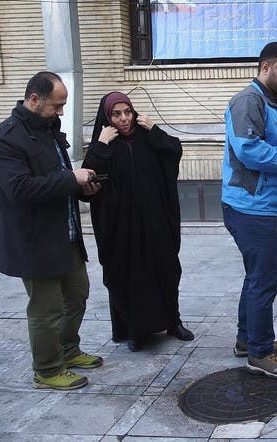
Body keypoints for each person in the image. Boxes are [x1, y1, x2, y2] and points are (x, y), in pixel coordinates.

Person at [0, 71, 103, 390]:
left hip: (66, 234)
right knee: (46, 310)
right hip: (35, 241)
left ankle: (69, 350)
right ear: (34, 99)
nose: (61, 112)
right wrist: (71, 180)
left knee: (77, 296)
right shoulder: (6, 137)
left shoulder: (49, 128)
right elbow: (20, 189)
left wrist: (82, 189)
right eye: (57, 105)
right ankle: (48, 369)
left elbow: (59, 176)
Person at [222, 42, 277, 379]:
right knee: (264, 280)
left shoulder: (271, 104)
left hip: (267, 206)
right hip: (251, 207)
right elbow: (248, 150)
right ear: (265, 66)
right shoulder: (249, 100)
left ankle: (248, 339)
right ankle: (260, 352)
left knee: (256, 277)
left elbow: (268, 149)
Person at [82, 92, 193, 352]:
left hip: (155, 223)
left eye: (127, 112)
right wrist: (100, 146)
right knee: (126, 276)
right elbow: (86, 183)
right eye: (116, 114)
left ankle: (172, 322)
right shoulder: (103, 145)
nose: (123, 119)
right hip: (121, 230)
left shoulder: (147, 138)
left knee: (166, 270)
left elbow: (174, 150)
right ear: (107, 118)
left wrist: (154, 129)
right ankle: (136, 330)